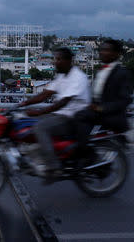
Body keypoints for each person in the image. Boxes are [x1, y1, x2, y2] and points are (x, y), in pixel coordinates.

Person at [18, 47, 90, 179]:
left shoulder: (78, 77)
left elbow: (63, 103)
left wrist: (39, 112)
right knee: (27, 123)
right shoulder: (61, 76)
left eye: (58, 59)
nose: (54, 62)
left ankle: (53, 166)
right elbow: (45, 94)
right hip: (62, 115)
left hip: (73, 118)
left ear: (68, 61)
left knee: (40, 127)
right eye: (54, 59)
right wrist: (23, 104)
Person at [74, 39, 133, 150]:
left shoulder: (122, 73)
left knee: (80, 117)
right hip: (97, 112)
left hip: (111, 115)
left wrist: (100, 108)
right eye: (101, 50)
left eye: (106, 50)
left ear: (116, 54)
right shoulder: (100, 71)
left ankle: (83, 151)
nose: (102, 53)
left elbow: (125, 100)